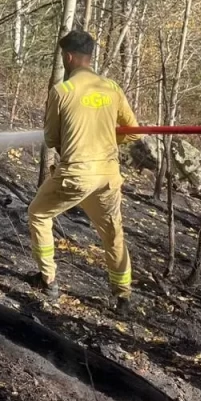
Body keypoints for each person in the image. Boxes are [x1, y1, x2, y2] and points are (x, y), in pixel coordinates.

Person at [28, 30, 139, 311]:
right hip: (106, 177)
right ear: (89, 56)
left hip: (76, 176)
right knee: (112, 233)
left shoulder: (62, 91)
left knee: (38, 214)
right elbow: (133, 131)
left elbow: (52, 139)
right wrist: (106, 138)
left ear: (68, 57)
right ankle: (123, 296)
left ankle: (48, 280)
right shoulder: (111, 87)